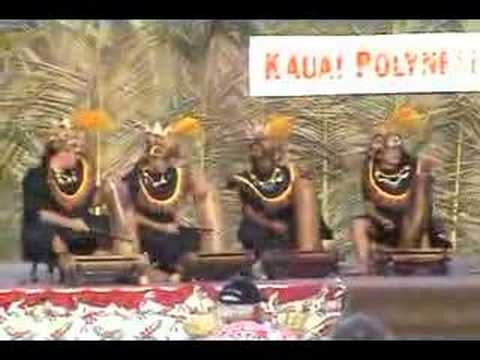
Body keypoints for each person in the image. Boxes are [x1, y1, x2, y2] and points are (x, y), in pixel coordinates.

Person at [227, 114, 332, 279]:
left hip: (289, 224)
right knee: (253, 233)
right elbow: (248, 210)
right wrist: (270, 224)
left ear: (276, 151)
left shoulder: (290, 173)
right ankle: (263, 266)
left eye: (263, 140)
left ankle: (311, 259)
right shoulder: (244, 179)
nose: (257, 145)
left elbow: (299, 201)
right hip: (262, 226)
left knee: (305, 194)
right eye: (254, 142)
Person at [349, 104, 450, 274]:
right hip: (384, 223)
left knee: (420, 203)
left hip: (413, 221)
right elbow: (368, 205)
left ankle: (411, 255)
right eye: (390, 150)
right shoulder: (368, 169)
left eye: (397, 149)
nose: (395, 153)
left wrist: (423, 176)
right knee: (358, 223)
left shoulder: (414, 165)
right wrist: (381, 220)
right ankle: (365, 268)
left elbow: (423, 204)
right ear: (379, 154)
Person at [122, 117, 223, 283]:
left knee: (191, 241)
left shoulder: (179, 174)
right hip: (146, 233)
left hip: (172, 233)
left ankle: (208, 267)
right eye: (154, 142)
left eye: (163, 141)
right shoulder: (135, 176)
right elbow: (130, 217)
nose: (158, 146)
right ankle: (160, 274)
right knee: (162, 247)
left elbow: (200, 194)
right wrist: (162, 226)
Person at [21, 117, 111, 282]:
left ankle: (101, 263)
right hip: (52, 227)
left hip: (79, 225)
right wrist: (71, 223)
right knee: (44, 230)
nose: (77, 156)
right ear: (61, 154)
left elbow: (91, 203)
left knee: (103, 222)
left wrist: (104, 191)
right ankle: (66, 263)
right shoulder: (36, 176)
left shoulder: (80, 175)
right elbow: (40, 214)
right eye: (73, 152)